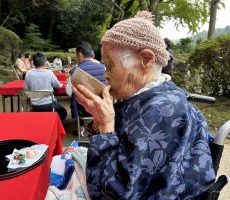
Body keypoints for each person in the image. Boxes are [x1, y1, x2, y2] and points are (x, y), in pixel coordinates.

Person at [72, 11, 215, 199]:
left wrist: (106, 126)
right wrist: (100, 120)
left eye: (110, 65)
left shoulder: (161, 111)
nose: (105, 75)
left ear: (146, 60)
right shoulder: (149, 98)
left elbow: (119, 194)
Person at [66, 41, 106, 134]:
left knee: (76, 98)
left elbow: (68, 92)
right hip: (101, 107)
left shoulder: (74, 71)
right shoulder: (104, 68)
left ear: (80, 54)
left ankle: (81, 127)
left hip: (83, 110)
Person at [24, 52, 67, 122]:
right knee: (63, 112)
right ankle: (53, 126)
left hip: (35, 105)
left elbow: (26, 90)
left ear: (33, 63)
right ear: (45, 63)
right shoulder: (49, 73)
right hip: (49, 105)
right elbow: (57, 85)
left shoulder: (28, 73)